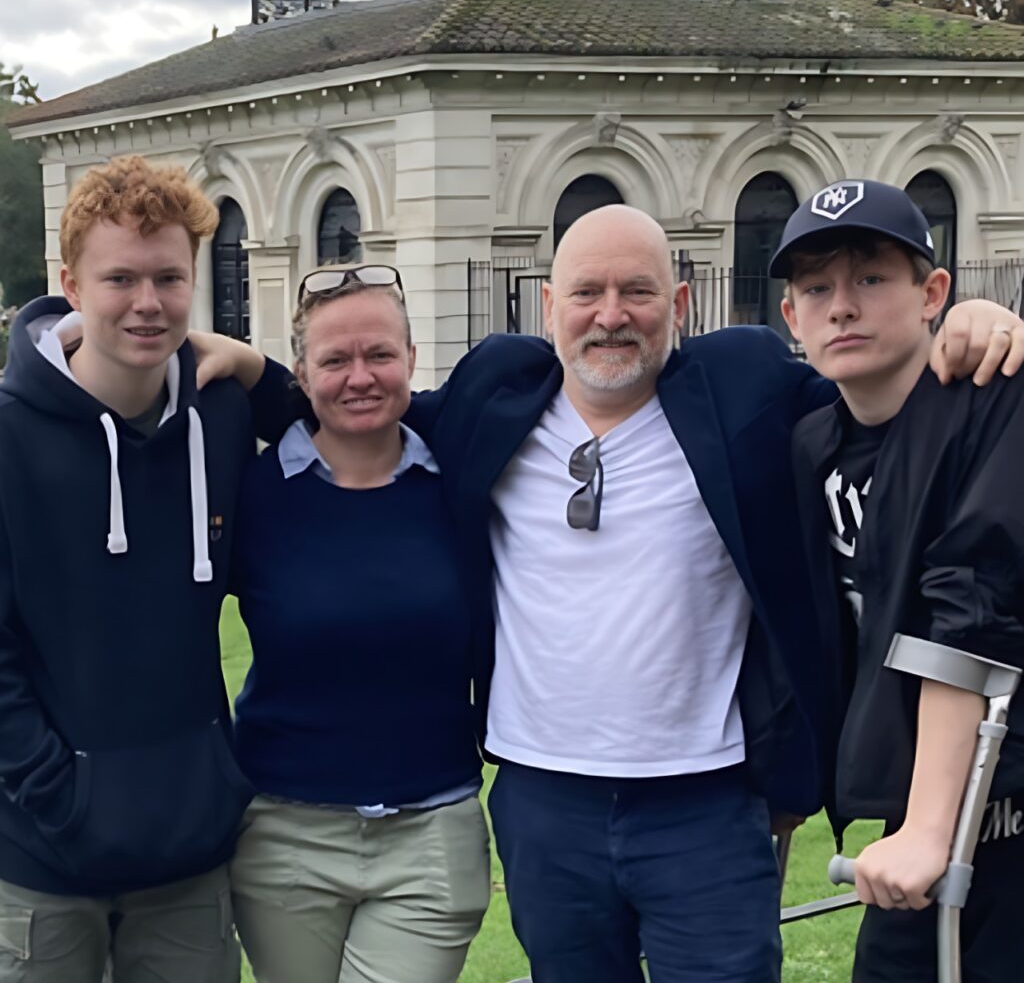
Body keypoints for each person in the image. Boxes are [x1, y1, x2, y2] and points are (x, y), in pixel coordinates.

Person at [194, 204, 1024, 983]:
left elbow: (877, 390)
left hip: (708, 800)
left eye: (638, 291)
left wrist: (969, 325)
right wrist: (258, 373)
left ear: (683, 303)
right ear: (551, 304)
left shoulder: (747, 391)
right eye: (587, 292)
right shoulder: (497, 398)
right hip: (541, 801)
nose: (611, 314)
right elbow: (366, 403)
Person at [0, 155, 290, 983]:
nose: (147, 302)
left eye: (169, 277)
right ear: (69, 283)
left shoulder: (221, 416)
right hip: (40, 857)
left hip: (190, 858)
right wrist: (58, 796)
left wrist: (252, 365)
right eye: (119, 278)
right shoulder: (10, 434)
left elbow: (336, 415)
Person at [777, 180, 1024, 983]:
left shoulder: (992, 399)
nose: (842, 307)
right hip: (912, 816)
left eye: (872, 278)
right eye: (817, 288)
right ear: (791, 318)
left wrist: (926, 828)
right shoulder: (811, 441)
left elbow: (970, 615)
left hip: (1000, 805)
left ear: (934, 292)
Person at [227, 265, 489, 983]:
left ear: (411, 359)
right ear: (302, 377)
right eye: (335, 360)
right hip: (284, 832)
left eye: (379, 354)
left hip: (431, 833)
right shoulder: (251, 495)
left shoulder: (466, 482)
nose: (360, 377)